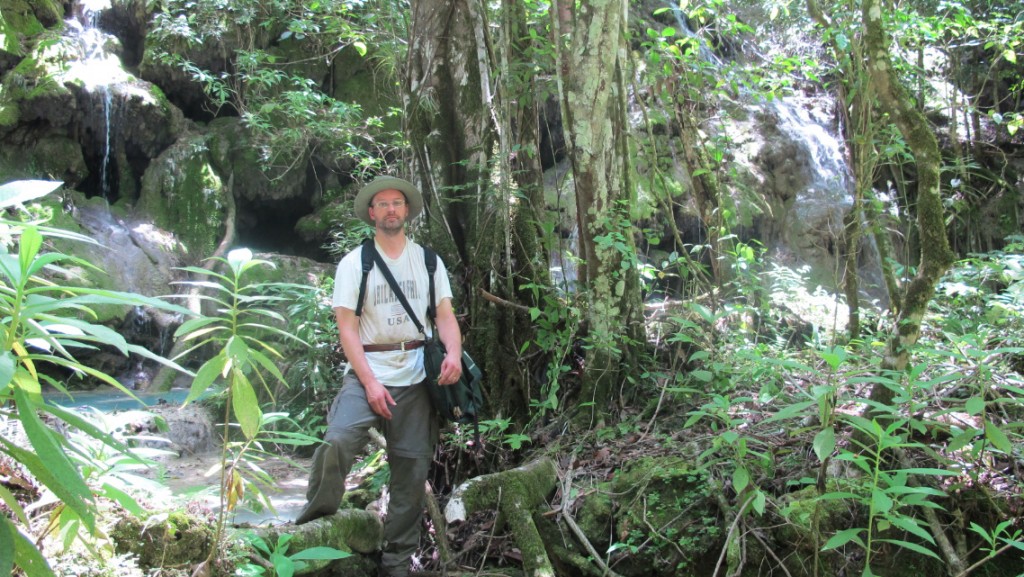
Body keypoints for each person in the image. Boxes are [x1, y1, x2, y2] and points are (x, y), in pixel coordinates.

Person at [295, 176, 463, 577]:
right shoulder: (356, 263)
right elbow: (347, 327)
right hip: (368, 373)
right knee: (338, 440)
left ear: (406, 212)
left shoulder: (428, 261)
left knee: (411, 471)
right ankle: (314, 530)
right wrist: (369, 382)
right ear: (371, 213)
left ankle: (396, 564)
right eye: (382, 204)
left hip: (417, 378)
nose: (390, 210)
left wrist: (453, 353)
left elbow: (444, 316)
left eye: (397, 203)